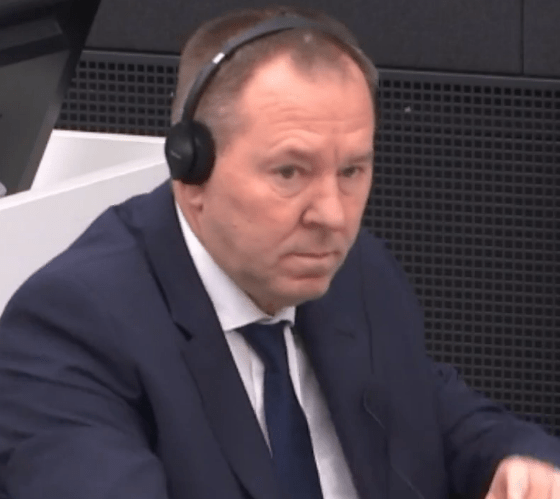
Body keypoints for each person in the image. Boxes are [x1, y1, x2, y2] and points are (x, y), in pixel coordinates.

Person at [0, 6, 559, 499]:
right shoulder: (70, 331)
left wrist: (518, 458)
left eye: (351, 171)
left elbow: (425, 404)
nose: (332, 216)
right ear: (190, 170)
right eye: (290, 172)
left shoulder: (356, 271)